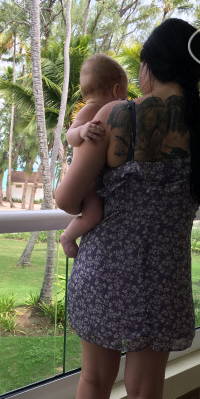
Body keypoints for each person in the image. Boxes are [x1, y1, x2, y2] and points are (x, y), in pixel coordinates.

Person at [56, 18, 200, 399]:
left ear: (148, 68)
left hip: (103, 274)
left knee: (94, 382)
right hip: (163, 277)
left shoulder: (117, 117)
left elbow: (67, 198)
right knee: (146, 392)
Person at [60, 54, 128, 258]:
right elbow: (70, 135)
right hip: (89, 183)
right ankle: (68, 237)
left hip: (95, 180)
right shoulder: (91, 109)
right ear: (116, 90)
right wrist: (81, 131)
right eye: (124, 95)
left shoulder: (100, 111)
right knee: (94, 215)